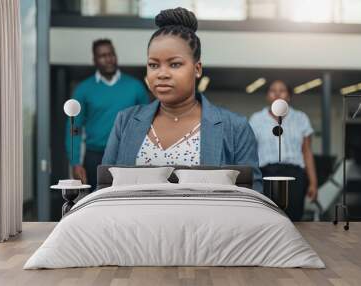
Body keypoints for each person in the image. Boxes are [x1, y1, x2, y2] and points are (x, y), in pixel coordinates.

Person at [102, 7, 262, 192]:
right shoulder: (126, 121)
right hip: (133, 221)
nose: (162, 74)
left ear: (197, 68)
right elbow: (105, 187)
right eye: (153, 65)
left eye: (175, 64)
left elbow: (253, 198)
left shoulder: (235, 127)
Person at [65, 38, 150, 191]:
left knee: (127, 201)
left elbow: (149, 123)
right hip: (95, 158)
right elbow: (74, 128)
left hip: (128, 156)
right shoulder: (83, 90)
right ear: (95, 60)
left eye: (111, 54)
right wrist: (75, 162)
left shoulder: (135, 87)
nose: (108, 59)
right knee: (97, 203)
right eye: (102, 56)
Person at [249, 80, 318, 220]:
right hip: (267, 174)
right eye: (273, 90)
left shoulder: (301, 118)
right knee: (268, 219)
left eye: (282, 90)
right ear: (268, 96)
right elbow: (250, 153)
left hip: (294, 175)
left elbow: (307, 152)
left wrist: (313, 183)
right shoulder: (256, 119)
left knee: (294, 219)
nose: (277, 93)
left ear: (289, 96)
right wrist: (251, 182)